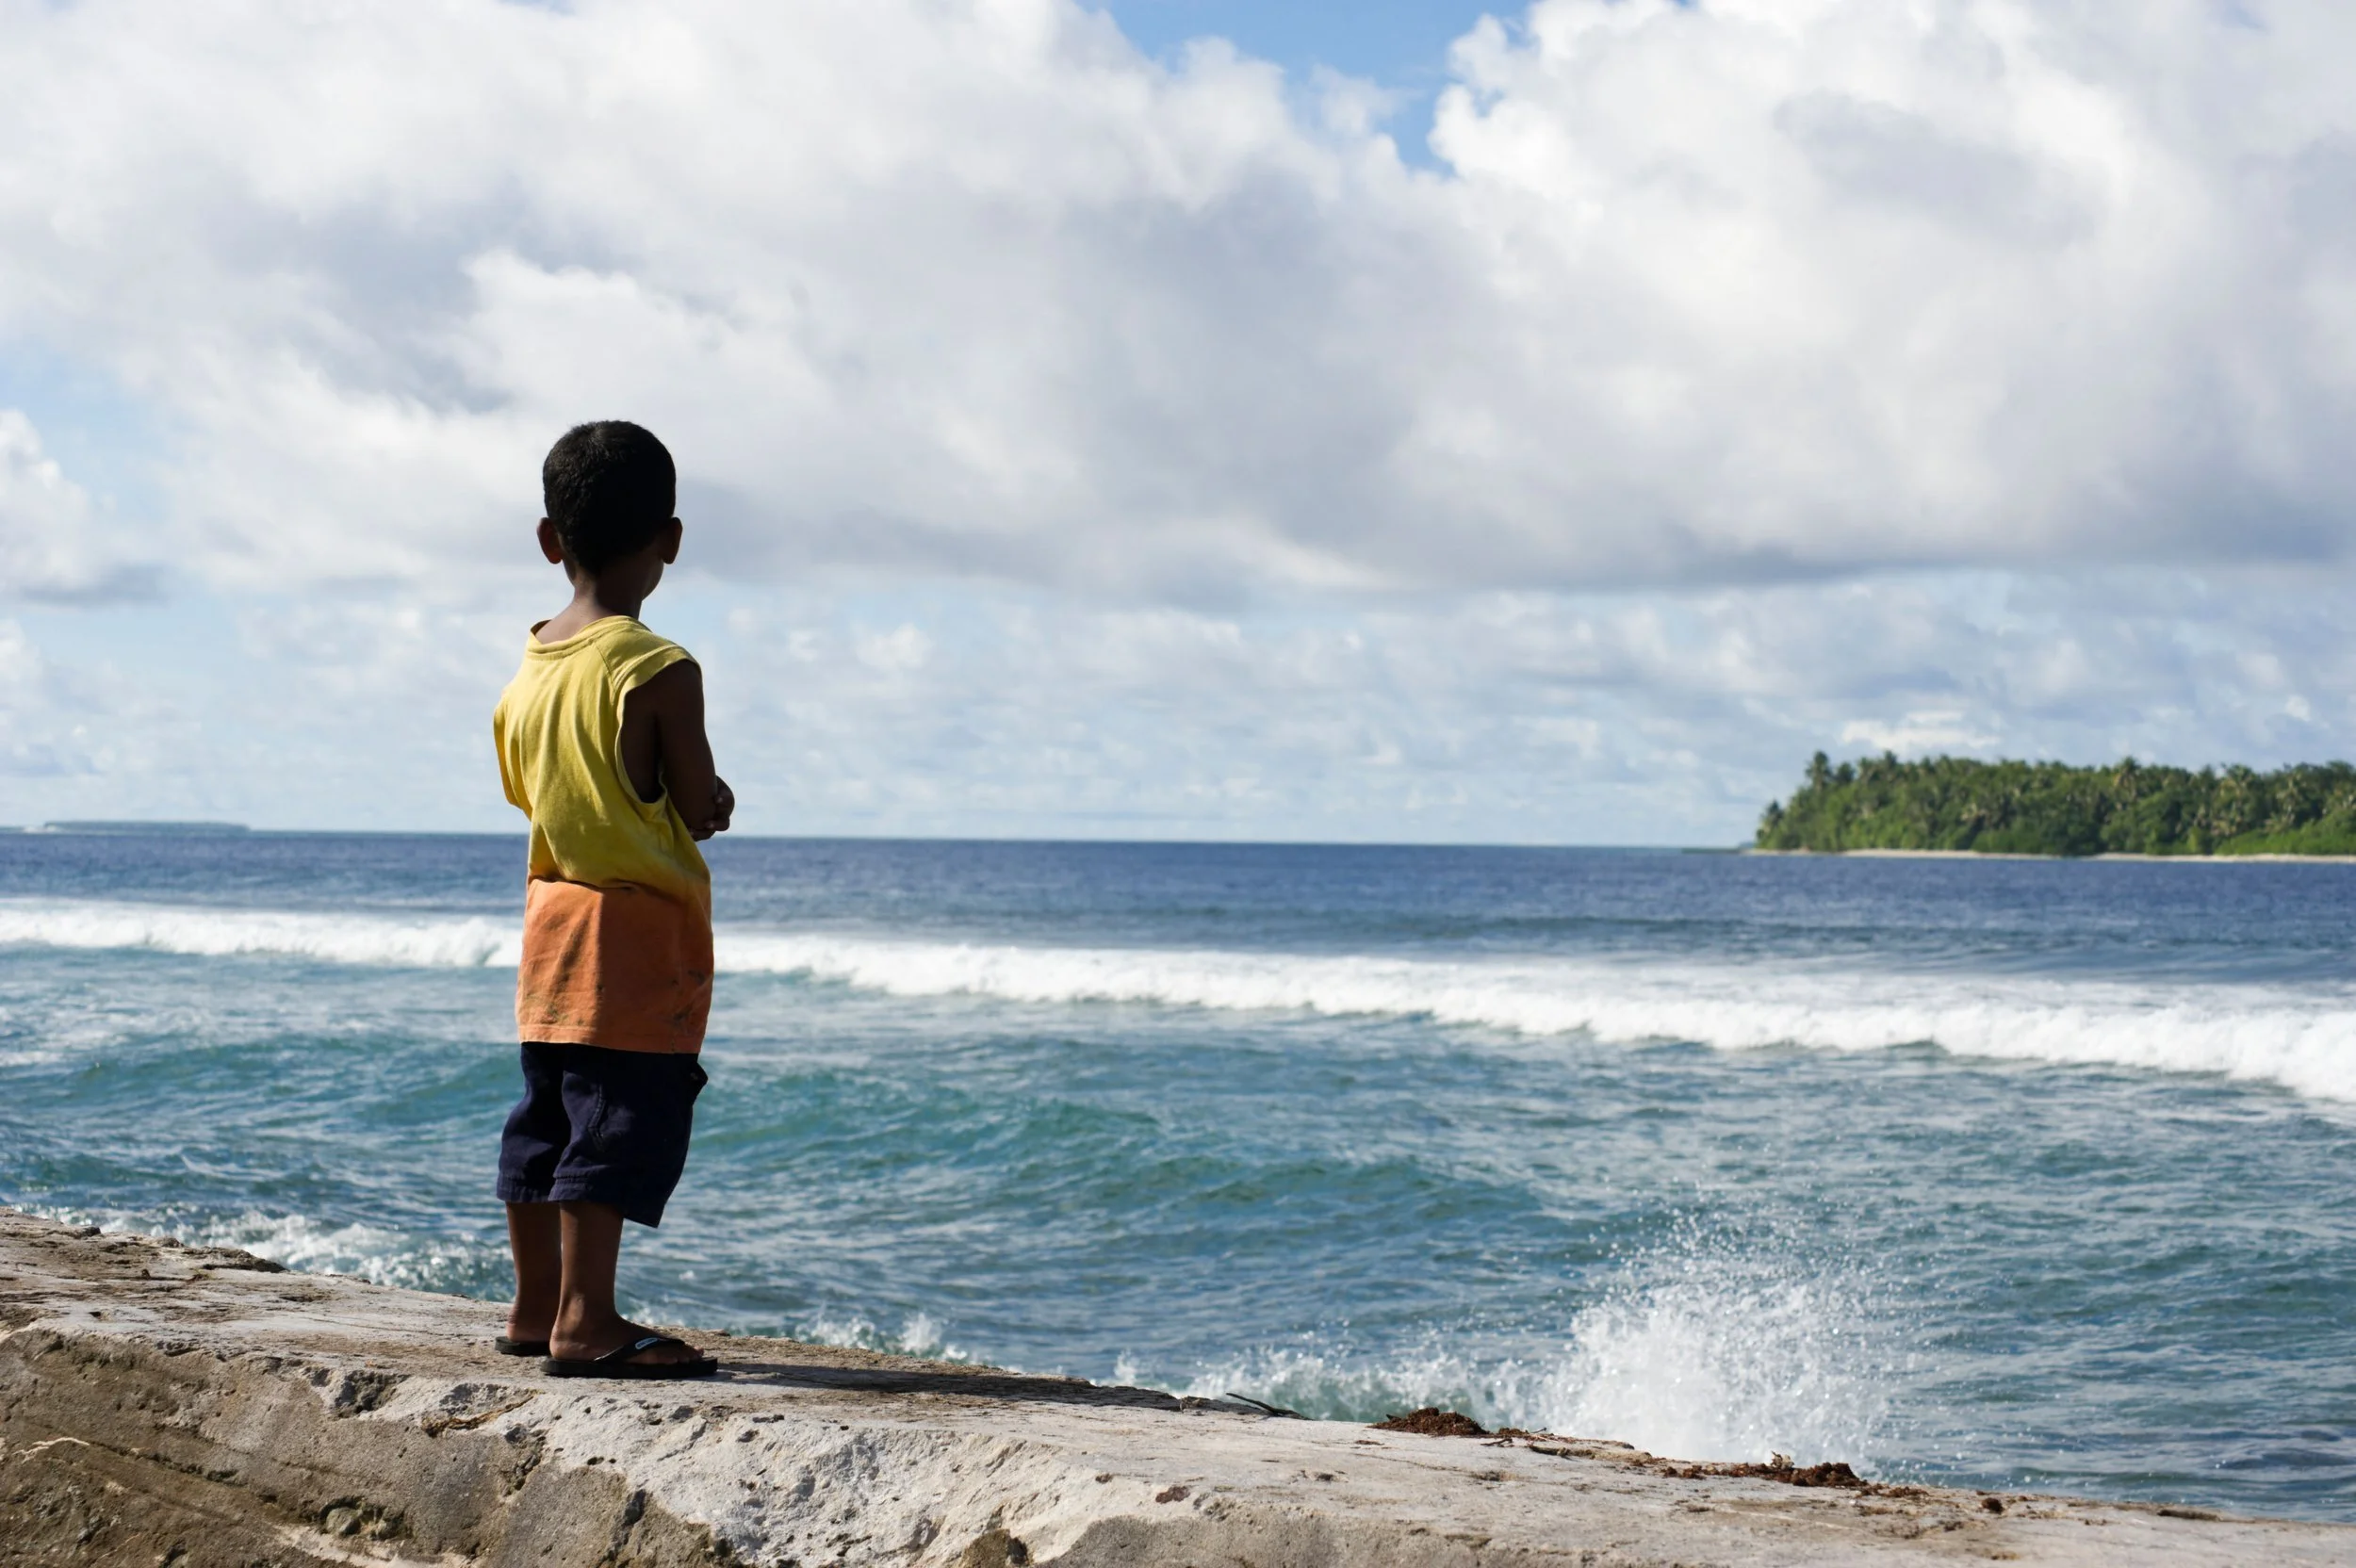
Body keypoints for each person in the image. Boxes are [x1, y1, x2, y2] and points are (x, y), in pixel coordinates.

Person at [488, 420, 733, 1379]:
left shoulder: (526, 671)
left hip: (550, 917)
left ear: (551, 539)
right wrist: (712, 798)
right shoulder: (658, 668)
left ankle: (533, 1303)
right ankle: (587, 1318)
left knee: (544, 1112)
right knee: (618, 1115)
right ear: (669, 539)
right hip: (635, 928)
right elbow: (692, 802)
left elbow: (528, 791)